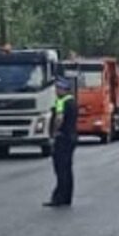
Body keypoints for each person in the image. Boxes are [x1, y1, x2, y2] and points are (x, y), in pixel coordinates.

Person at [45, 77, 77, 207]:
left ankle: (59, 197)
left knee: (60, 168)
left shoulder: (61, 101)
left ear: (64, 89)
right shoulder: (72, 101)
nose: (56, 91)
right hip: (71, 137)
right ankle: (67, 197)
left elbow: (59, 119)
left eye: (58, 89)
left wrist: (54, 133)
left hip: (62, 138)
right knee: (68, 168)